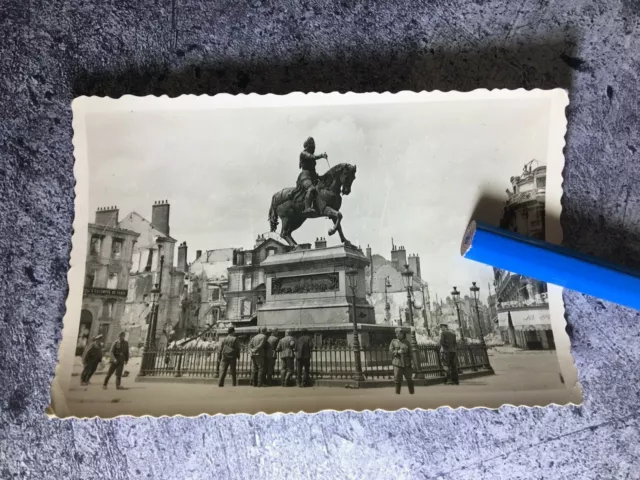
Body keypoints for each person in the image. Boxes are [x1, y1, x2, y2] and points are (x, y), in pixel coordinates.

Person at [298, 137, 328, 215]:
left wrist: (319, 177)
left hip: (313, 176)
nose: (313, 147)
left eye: (313, 145)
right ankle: (307, 208)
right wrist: (321, 155)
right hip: (305, 177)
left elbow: (313, 169)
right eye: (311, 145)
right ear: (308, 146)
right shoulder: (303, 153)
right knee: (311, 189)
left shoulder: (310, 154)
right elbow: (312, 157)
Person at [389, 328, 415, 395]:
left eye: (399, 333)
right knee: (397, 379)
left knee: (409, 379)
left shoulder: (407, 342)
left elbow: (411, 353)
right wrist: (397, 352)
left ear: (402, 334)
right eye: (396, 333)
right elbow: (390, 351)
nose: (397, 335)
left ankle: (412, 393)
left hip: (407, 363)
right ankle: (397, 393)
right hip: (397, 363)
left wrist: (412, 362)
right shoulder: (393, 341)